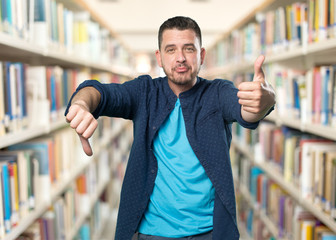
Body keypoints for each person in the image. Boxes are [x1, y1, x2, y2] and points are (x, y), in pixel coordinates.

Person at [65, 16, 275, 240]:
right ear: (160, 57)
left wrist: (265, 100)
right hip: (151, 233)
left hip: (209, 233)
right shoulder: (144, 92)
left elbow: (246, 109)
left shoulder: (218, 92)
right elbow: (101, 92)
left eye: (189, 49)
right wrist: (81, 103)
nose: (181, 58)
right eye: (171, 50)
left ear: (201, 55)